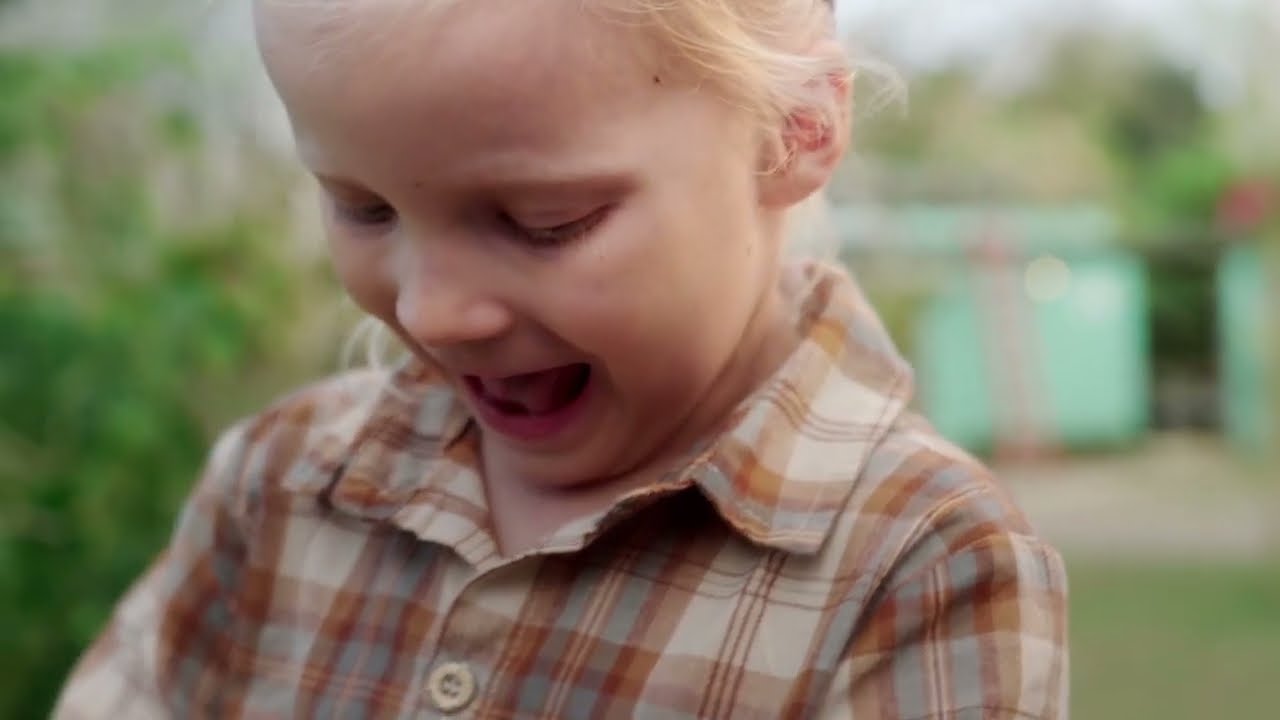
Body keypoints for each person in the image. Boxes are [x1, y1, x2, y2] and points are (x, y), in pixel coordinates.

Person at [54, 0, 1068, 717]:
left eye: (545, 222)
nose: (433, 311)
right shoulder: (282, 483)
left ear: (795, 132)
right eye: (363, 207)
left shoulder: (920, 567)